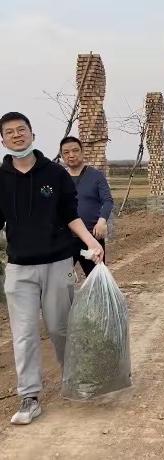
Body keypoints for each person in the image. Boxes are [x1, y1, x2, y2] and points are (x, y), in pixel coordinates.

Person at [0, 112, 103, 425]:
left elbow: (70, 216)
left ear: (32, 134)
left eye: (22, 130)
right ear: (3, 140)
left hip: (59, 263)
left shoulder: (55, 174)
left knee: (61, 327)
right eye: (9, 132)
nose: (17, 135)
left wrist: (91, 242)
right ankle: (29, 396)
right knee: (24, 334)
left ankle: (74, 380)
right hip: (19, 268)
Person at [60, 136, 113, 276]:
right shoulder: (59, 178)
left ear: (82, 152)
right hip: (65, 239)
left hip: (91, 238)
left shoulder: (96, 176)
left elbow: (107, 200)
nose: (71, 155)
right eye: (66, 152)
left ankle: (100, 298)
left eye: (75, 150)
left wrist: (102, 221)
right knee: (61, 280)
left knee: (96, 277)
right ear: (61, 156)